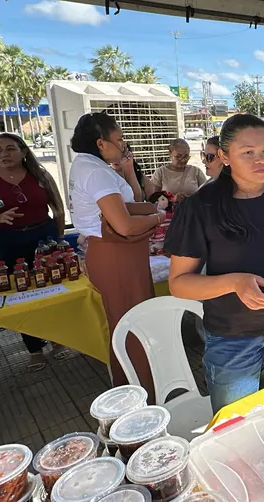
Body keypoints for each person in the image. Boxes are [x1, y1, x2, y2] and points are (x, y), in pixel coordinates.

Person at [165, 114, 264, 413]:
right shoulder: (201, 206)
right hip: (231, 338)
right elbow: (179, 283)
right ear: (224, 156)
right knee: (235, 425)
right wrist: (235, 282)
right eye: (248, 152)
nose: (261, 159)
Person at [68, 112, 166, 396]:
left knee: (129, 322)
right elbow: (124, 225)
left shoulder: (90, 166)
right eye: (119, 139)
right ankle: (141, 394)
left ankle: (135, 389)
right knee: (133, 325)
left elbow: (132, 202)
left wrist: (128, 171)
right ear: (101, 143)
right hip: (116, 255)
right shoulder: (96, 172)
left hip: (116, 253)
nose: (123, 145)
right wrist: (157, 218)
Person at [0, 133, 71, 371]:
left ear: (23, 151)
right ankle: (34, 349)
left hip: (43, 239)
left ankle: (58, 340)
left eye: (10, 149)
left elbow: (58, 209)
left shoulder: (40, 175)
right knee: (21, 295)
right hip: (8, 243)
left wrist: (58, 241)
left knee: (51, 292)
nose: (3, 154)